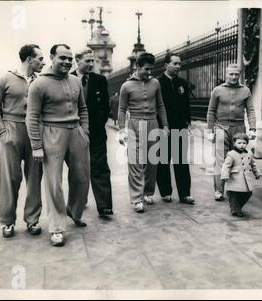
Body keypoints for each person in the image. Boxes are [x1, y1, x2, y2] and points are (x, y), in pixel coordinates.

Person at [27, 44, 90, 246]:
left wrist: (84, 132)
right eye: (62, 58)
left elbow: (83, 108)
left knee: (81, 177)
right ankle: (56, 228)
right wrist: (37, 145)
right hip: (52, 133)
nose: (67, 62)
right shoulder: (39, 84)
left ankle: (73, 210)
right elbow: (32, 116)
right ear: (52, 58)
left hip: (76, 132)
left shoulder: (75, 81)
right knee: (54, 183)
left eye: (70, 59)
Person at [0, 44, 45, 238]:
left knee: (35, 177)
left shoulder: (40, 82)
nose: (43, 62)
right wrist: (3, 134)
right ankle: (7, 222)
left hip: (34, 132)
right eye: (40, 58)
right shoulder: (6, 78)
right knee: (9, 178)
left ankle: (32, 220)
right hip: (12, 130)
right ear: (29, 59)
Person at [118, 52, 169, 213]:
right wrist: (121, 130)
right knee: (134, 161)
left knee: (152, 161)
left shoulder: (155, 83)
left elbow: (160, 106)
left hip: (153, 123)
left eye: (151, 69)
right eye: (146, 69)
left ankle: (148, 192)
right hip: (134, 123)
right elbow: (121, 109)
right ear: (137, 67)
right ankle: (136, 198)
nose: (149, 72)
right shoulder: (126, 86)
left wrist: (165, 126)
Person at [73, 48, 114, 217]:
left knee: (100, 166)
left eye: (93, 61)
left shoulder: (100, 80)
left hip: (96, 131)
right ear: (77, 60)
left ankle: (104, 205)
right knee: (77, 169)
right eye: (87, 61)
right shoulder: (68, 79)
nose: (91, 64)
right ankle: (78, 201)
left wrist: (97, 124)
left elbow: (105, 106)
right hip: (73, 131)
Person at [207, 64, 257, 201]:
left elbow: (251, 110)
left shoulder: (245, 91)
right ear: (226, 74)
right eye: (231, 74)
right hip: (221, 128)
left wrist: (253, 128)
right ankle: (218, 190)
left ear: (239, 75)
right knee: (220, 160)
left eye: (237, 74)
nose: (234, 77)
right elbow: (211, 111)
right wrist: (210, 130)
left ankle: (235, 189)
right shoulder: (217, 90)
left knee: (237, 160)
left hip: (239, 129)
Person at [156, 53, 195, 204]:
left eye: (179, 64)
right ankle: (165, 192)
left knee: (181, 161)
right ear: (166, 65)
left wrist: (188, 122)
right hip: (163, 127)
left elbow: (186, 105)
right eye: (175, 63)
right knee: (163, 161)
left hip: (180, 127)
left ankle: (185, 193)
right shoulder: (158, 83)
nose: (178, 66)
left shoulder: (182, 83)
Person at [221, 133, 261, 217]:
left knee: (248, 193)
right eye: (239, 143)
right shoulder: (231, 154)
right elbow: (226, 166)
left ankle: (236, 208)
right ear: (234, 143)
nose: (242, 145)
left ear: (247, 143)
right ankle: (236, 210)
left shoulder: (249, 153)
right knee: (234, 195)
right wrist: (225, 176)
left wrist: (257, 173)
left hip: (246, 178)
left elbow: (253, 164)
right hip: (235, 178)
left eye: (244, 143)